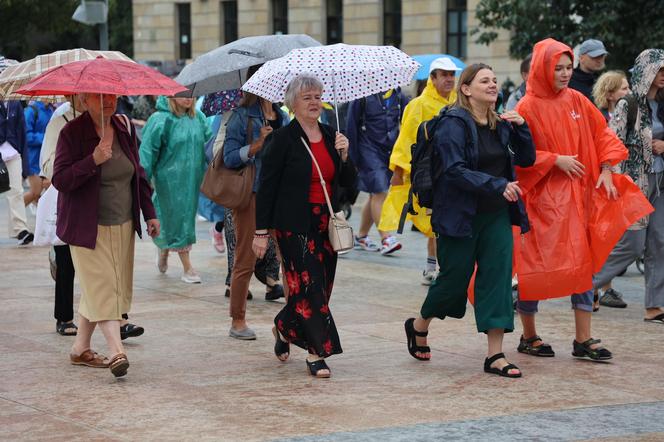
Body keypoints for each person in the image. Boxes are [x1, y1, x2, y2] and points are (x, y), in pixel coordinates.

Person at [513, 38, 652, 360]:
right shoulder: (526, 107)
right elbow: (519, 155)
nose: (564, 74)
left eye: (567, 67)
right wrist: (553, 160)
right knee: (535, 267)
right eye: (557, 68)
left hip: (580, 198)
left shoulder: (576, 99)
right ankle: (529, 335)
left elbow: (603, 134)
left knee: (582, 265)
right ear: (541, 69)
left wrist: (605, 168)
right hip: (543, 203)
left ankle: (583, 338)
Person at [404, 64, 535, 378]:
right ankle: (418, 325)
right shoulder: (453, 124)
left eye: (494, 79)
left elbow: (527, 159)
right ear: (466, 89)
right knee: (453, 281)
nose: (492, 85)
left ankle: (495, 355)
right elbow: (454, 169)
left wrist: (523, 127)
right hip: (459, 216)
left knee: (498, 281)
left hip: (495, 216)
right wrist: (497, 185)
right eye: (484, 80)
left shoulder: (501, 123)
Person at [254, 74, 356, 378]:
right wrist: (261, 232)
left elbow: (349, 185)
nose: (314, 102)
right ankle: (317, 353)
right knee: (308, 285)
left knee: (321, 287)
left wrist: (345, 155)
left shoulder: (331, 135)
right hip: (293, 223)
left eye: (317, 96)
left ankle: (284, 327)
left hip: (326, 221)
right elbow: (266, 187)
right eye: (307, 97)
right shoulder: (281, 139)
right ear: (293, 104)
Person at [52, 93, 160, 377]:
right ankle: (116, 352)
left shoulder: (124, 127)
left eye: (111, 95)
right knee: (104, 288)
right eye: (99, 97)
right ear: (84, 101)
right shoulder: (71, 133)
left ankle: (79, 349)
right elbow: (60, 180)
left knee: (105, 288)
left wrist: (149, 213)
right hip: (86, 227)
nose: (107, 101)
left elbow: (139, 174)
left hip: (122, 223)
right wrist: (93, 160)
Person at [595, 49, 664, 322]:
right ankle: (587, 283)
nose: (663, 76)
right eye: (659, 70)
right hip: (635, 183)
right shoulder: (629, 104)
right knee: (633, 245)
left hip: (660, 181)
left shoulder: (662, 103)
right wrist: (609, 173)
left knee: (659, 242)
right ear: (646, 70)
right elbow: (612, 142)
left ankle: (655, 306)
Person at [378, 57, 460, 284]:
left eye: (452, 74)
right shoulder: (418, 106)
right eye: (443, 74)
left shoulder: (458, 102)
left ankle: (442, 266)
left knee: (445, 219)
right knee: (434, 219)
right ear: (432, 79)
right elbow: (406, 139)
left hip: (454, 169)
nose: (449, 79)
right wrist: (398, 171)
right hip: (429, 171)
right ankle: (433, 265)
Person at [224, 67, 289, 340]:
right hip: (251, 194)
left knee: (290, 256)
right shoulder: (242, 117)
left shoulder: (283, 116)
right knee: (246, 259)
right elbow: (229, 158)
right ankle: (237, 319)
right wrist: (256, 145)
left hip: (280, 194)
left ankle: (293, 317)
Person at [140, 96, 212, 283]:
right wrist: (141, 181)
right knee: (179, 220)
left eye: (191, 94)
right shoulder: (160, 120)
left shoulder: (199, 118)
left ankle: (164, 248)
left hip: (193, 181)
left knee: (182, 219)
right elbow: (147, 152)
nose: (188, 99)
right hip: (168, 181)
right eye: (182, 94)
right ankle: (188, 267)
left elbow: (209, 145)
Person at [346, 88, 409, 254]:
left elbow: (407, 122)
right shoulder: (361, 97)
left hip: (389, 151)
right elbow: (351, 127)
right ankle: (386, 238)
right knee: (380, 192)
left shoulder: (399, 96)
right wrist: (353, 158)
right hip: (368, 150)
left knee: (375, 195)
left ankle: (362, 236)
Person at [589, 71, 631, 309]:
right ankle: (597, 287)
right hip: (604, 180)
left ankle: (603, 287)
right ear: (610, 92)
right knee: (604, 233)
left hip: (620, 178)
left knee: (612, 234)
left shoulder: (627, 112)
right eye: (623, 89)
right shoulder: (601, 117)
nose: (628, 92)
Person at [0, 99, 33, 245]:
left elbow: (22, 132)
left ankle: (20, 229)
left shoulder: (15, 104)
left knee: (17, 191)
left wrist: (25, 166)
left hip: (13, 152)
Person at [23, 101, 54, 209]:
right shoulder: (31, 110)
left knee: (44, 194)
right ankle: (16, 213)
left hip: (45, 158)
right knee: (35, 193)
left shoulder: (50, 110)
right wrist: (46, 137)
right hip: (33, 159)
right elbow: (26, 135)